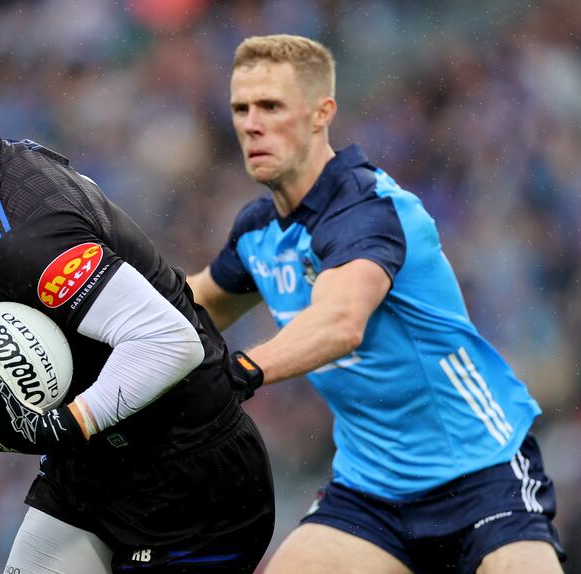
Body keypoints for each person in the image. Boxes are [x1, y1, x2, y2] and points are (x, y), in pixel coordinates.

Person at [0, 37, 275, 574]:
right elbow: (0, 383)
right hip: (91, 468)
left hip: (191, 482)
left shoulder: (28, 234)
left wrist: (60, 426)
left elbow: (170, 342)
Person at [186, 34, 566, 574]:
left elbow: (341, 323)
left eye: (271, 106)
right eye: (240, 108)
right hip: (372, 492)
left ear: (322, 113)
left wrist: (236, 373)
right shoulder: (258, 230)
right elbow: (195, 304)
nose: (251, 124)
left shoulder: (372, 211)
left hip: (484, 474)